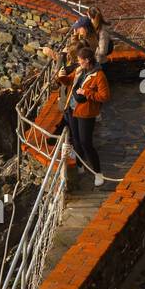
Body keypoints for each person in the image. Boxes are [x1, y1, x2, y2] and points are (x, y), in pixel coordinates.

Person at [57, 44, 110, 187]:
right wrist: (61, 76)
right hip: (72, 109)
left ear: (87, 60)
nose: (78, 62)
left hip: (86, 113)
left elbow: (104, 97)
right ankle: (80, 166)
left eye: (80, 59)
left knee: (86, 143)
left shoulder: (99, 75)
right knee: (76, 140)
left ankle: (98, 174)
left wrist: (86, 93)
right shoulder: (80, 70)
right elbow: (69, 82)